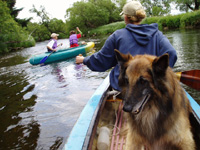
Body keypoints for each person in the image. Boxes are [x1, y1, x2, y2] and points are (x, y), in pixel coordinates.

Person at [76, 1, 177, 91]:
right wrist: (158, 77)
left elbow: (102, 61)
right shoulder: (157, 34)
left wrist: (84, 60)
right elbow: (171, 53)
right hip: (149, 87)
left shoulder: (117, 36)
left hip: (125, 88)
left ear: (126, 17)